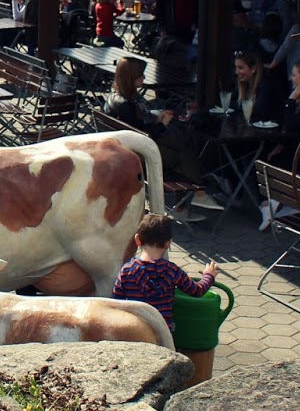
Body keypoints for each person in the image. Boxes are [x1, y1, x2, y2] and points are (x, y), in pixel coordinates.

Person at [101, 57, 220, 210]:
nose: (144, 78)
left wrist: (157, 120)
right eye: (141, 75)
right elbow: (145, 139)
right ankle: (195, 197)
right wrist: (162, 124)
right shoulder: (127, 104)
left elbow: (138, 129)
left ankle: (192, 199)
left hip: (122, 151)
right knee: (182, 155)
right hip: (137, 156)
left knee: (182, 146)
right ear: (132, 77)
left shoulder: (115, 97)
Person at [111, 213, 218, 332]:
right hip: (162, 331)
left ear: (137, 239)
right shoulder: (172, 270)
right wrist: (209, 275)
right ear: (168, 243)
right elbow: (197, 290)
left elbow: (116, 303)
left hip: (135, 330)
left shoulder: (126, 271)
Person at [225, 49, 284, 124]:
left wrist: (241, 106)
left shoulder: (266, 84)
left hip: (267, 131)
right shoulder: (243, 83)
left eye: (240, 68)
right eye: (235, 67)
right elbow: (229, 102)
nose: (236, 72)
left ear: (253, 69)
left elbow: (259, 112)